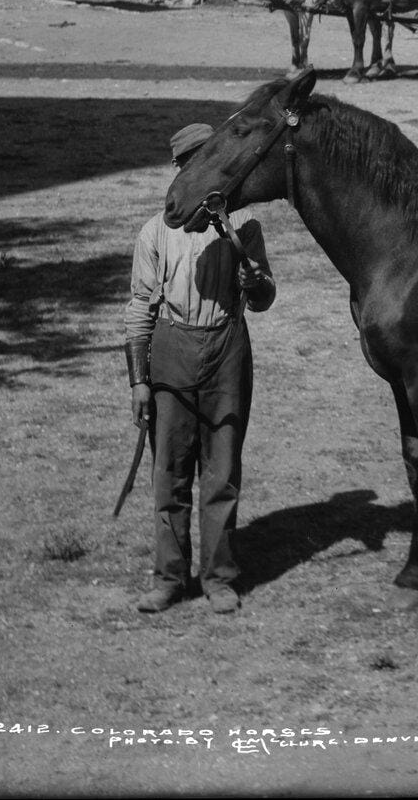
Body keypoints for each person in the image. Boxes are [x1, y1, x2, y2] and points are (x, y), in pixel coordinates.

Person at [125, 124, 277, 615]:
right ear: (179, 171)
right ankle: (169, 578)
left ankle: (218, 578)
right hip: (172, 349)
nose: (201, 172)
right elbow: (139, 310)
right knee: (169, 471)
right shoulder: (155, 232)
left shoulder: (244, 226)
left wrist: (255, 281)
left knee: (222, 470)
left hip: (227, 349)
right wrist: (139, 382)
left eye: (207, 161)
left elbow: (263, 300)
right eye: (191, 162)